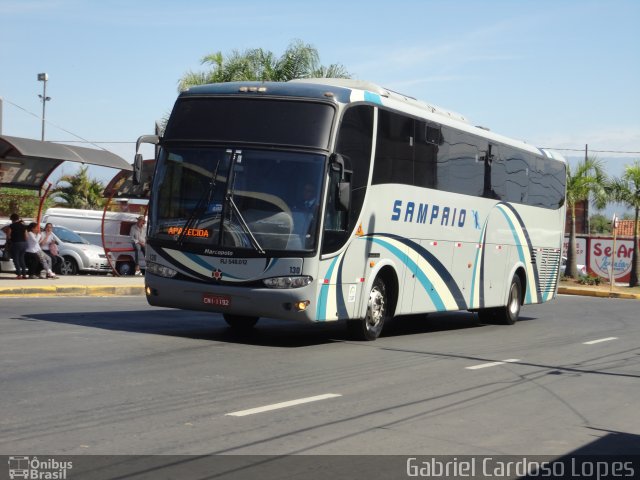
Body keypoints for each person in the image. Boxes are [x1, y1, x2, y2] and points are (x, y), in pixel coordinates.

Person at [1, 213, 28, 279]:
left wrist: (8, 242)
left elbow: (8, 236)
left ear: (11, 219)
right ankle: (24, 274)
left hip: (16, 243)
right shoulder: (23, 226)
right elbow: (26, 237)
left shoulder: (11, 226)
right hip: (24, 244)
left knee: (16, 259)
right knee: (22, 259)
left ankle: (19, 274)